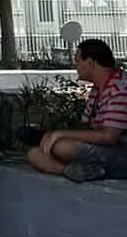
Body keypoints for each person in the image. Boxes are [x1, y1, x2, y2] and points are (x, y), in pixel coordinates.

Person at [26, 38, 127, 181]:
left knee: (62, 147)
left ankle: (88, 168)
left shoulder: (120, 88)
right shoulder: (97, 89)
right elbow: (85, 127)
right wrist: (53, 134)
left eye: (78, 60)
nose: (76, 66)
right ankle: (70, 170)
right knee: (34, 153)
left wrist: (60, 134)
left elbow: (109, 137)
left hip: (121, 152)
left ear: (90, 63)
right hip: (104, 149)